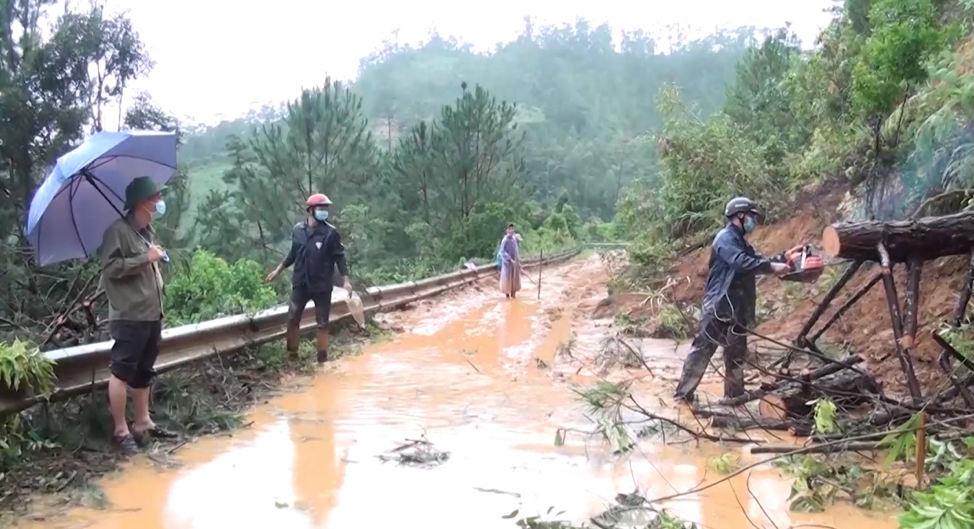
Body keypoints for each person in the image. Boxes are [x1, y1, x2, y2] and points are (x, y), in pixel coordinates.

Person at [673, 197, 802, 405]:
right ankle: (683, 396)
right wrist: (772, 268)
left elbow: (756, 260)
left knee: (736, 355)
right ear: (740, 216)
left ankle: (734, 397)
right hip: (718, 307)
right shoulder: (725, 238)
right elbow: (741, 263)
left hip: (736, 310)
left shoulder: (740, 242)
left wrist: (782, 258)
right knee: (702, 350)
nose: (753, 221)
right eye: (751, 216)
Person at [100, 176, 177, 455]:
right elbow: (111, 269)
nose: (159, 203)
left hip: (150, 314)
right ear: (142, 203)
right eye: (156, 198)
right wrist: (145, 258)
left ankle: (143, 423)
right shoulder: (117, 232)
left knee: (144, 370)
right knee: (122, 371)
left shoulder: (146, 232)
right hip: (129, 315)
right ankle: (121, 431)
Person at [266, 193, 351, 363]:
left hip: (322, 285)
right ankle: (292, 356)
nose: (324, 212)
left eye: (325, 209)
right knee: (293, 319)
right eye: (321, 208)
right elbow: (293, 253)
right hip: (301, 283)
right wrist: (279, 270)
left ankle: (322, 359)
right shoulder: (298, 230)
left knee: (322, 323)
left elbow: (339, 257)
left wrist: (346, 281)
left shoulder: (331, 233)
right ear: (310, 210)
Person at [498, 223, 521, 299]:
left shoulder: (514, 239)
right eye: (509, 229)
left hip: (514, 263)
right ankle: (507, 295)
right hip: (507, 263)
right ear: (507, 230)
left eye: (512, 229)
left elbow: (516, 251)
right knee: (507, 279)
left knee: (514, 278)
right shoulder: (505, 240)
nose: (511, 230)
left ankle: (513, 293)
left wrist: (517, 261)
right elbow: (502, 251)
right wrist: (510, 259)